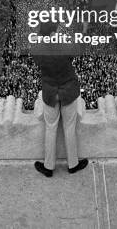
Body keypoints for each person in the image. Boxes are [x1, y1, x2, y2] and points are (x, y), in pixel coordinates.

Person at [33, 22, 88, 177]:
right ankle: (73, 165)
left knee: (50, 129)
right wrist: (83, 29)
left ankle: (48, 167)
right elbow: (80, 48)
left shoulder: (37, 50)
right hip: (68, 91)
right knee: (69, 128)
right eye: (56, 30)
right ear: (52, 33)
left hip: (50, 92)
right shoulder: (64, 46)